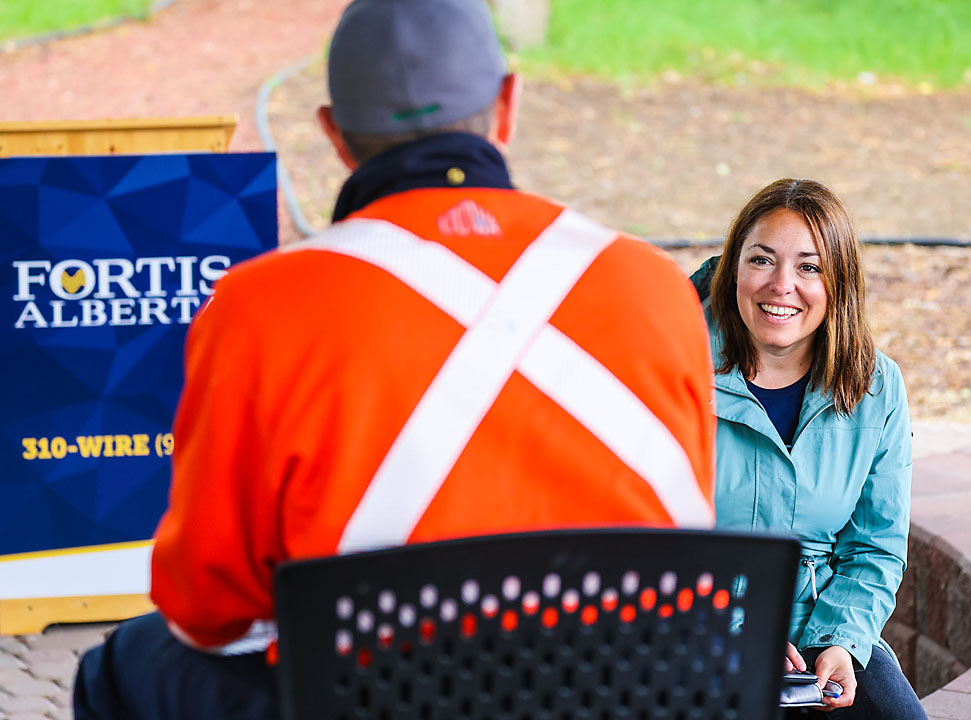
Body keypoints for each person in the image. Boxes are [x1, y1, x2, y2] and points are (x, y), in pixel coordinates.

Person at [72, 1, 716, 717]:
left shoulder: (260, 306)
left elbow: (206, 608)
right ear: (508, 105)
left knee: (123, 664)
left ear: (334, 136)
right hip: (626, 698)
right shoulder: (655, 285)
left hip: (376, 698)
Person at [689, 179, 925, 719]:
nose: (781, 285)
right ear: (732, 271)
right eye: (762, 260)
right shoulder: (669, 369)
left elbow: (875, 546)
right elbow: (640, 543)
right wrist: (739, 634)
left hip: (821, 632)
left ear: (838, 282)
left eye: (809, 267)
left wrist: (841, 641)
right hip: (690, 628)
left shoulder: (875, 386)